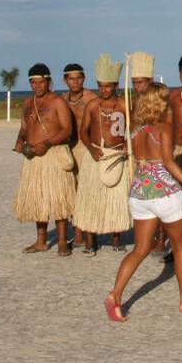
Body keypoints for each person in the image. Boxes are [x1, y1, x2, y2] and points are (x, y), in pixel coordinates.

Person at [104, 84, 182, 320]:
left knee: (139, 249)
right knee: (181, 248)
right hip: (165, 192)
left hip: (140, 192)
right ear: (160, 102)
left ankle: (115, 295)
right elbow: (169, 163)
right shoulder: (164, 127)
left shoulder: (135, 128)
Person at [11, 63, 76, 255]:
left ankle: (63, 241)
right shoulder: (27, 103)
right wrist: (19, 141)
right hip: (33, 158)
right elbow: (24, 127)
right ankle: (41, 241)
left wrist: (46, 144)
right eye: (34, 82)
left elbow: (67, 130)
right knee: (37, 199)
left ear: (48, 81)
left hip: (53, 155)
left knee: (58, 199)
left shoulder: (58, 102)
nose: (38, 86)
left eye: (41, 82)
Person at [75, 54, 132, 254]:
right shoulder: (92, 105)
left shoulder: (125, 105)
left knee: (116, 198)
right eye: (100, 85)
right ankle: (91, 241)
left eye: (107, 86)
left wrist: (126, 145)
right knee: (92, 198)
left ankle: (116, 239)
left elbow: (131, 130)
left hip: (116, 156)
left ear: (115, 85)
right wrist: (91, 149)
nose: (103, 90)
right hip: (95, 156)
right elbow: (83, 131)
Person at [61, 62, 94, 250]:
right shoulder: (62, 100)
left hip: (84, 149)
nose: (75, 82)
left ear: (84, 79)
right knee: (70, 190)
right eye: (71, 79)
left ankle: (84, 230)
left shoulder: (91, 98)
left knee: (84, 190)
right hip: (67, 150)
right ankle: (76, 230)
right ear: (65, 80)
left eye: (78, 78)